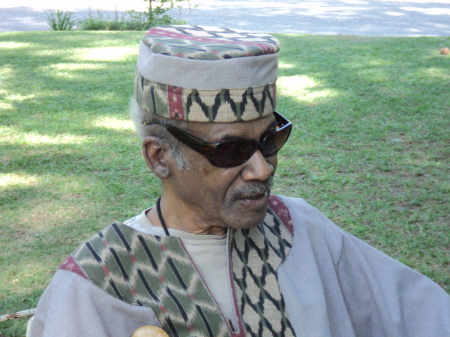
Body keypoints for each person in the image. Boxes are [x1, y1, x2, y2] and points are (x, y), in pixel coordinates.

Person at [29, 25, 449, 337]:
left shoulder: (301, 229)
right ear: (159, 157)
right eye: (230, 150)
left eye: (271, 139)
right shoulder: (100, 280)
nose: (262, 169)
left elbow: (422, 315)